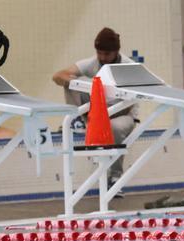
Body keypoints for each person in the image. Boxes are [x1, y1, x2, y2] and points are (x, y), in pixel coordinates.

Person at [52, 27, 138, 178]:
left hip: (122, 114)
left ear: (116, 52)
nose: (102, 57)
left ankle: (115, 175)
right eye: (99, 53)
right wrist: (76, 82)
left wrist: (104, 113)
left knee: (114, 128)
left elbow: (129, 104)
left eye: (107, 54)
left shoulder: (128, 67)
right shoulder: (93, 62)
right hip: (98, 111)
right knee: (73, 82)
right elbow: (58, 76)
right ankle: (76, 120)